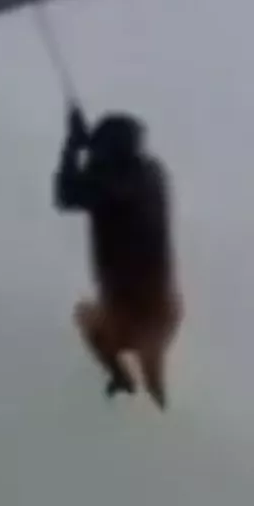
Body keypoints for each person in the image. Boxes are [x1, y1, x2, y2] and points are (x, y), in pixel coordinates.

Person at [53, 103, 184, 409]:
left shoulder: (109, 186)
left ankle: (121, 377)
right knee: (154, 370)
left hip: (127, 317)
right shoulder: (153, 174)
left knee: (85, 317)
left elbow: (65, 195)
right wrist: (90, 146)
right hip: (165, 311)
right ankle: (155, 389)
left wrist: (72, 146)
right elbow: (101, 183)